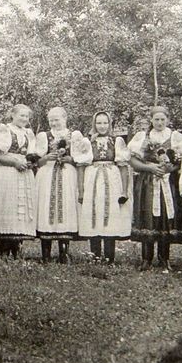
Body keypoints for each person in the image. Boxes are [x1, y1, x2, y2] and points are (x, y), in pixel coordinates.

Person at [128, 106, 182, 271]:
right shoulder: (142, 137)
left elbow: (181, 160)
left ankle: (164, 258)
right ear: (151, 120)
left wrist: (169, 169)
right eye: (156, 119)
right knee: (148, 215)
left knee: (165, 217)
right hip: (148, 181)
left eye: (163, 119)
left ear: (168, 119)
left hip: (168, 181)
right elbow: (132, 161)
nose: (160, 122)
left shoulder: (175, 137)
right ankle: (146, 258)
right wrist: (151, 168)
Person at [78, 111, 132, 264]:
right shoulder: (88, 141)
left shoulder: (117, 141)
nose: (102, 126)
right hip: (93, 178)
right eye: (99, 123)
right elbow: (81, 166)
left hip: (111, 178)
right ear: (94, 124)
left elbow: (123, 166)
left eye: (105, 123)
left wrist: (124, 190)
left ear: (110, 124)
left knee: (110, 212)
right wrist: (81, 191)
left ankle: (109, 256)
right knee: (94, 211)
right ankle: (94, 255)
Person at [35, 107, 85, 264]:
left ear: (65, 118)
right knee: (46, 207)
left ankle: (64, 253)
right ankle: (46, 254)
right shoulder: (44, 136)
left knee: (66, 207)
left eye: (57, 119)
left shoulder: (74, 135)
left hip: (67, 174)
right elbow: (37, 160)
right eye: (51, 120)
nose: (54, 123)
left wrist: (70, 159)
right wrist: (47, 157)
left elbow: (81, 158)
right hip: (47, 174)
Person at [0, 104, 37, 259]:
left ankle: (17, 250)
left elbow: (32, 154)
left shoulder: (29, 133)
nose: (24, 119)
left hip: (24, 173)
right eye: (21, 115)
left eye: (26, 116)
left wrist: (30, 162)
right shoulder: (3, 129)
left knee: (21, 209)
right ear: (12, 114)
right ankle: (4, 251)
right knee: (7, 206)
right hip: (8, 172)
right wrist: (15, 163)